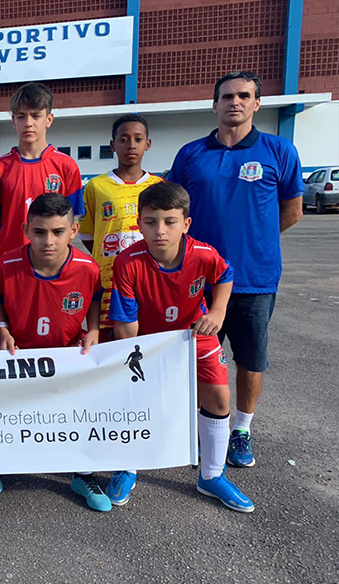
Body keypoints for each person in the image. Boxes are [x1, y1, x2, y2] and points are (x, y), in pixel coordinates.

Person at [169, 71, 304, 468]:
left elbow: (292, 210)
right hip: (197, 280)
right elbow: (174, 210)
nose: (235, 102)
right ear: (214, 104)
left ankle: (241, 429)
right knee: (196, 356)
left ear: (257, 103)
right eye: (227, 96)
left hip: (254, 278)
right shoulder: (191, 154)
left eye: (244, 95)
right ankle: (203, 426)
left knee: (249, 358)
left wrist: (255, 238)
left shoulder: (279, 151)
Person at [109, 182, 254, 513]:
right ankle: (127, 467)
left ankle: (212, 476)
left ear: (186, 224)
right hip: (149, 341)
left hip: (193, 335)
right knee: (135, 399)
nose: (160, 230)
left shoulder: (203, 254)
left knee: (219, 398)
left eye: (170, 222)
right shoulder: (127, 262)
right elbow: (126, 326)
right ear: (139, 223)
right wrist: (133, 355)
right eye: (151, 222)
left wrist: (217, 311)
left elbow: (225, 275)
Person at [0, 193, 106, 512]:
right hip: (16, 352)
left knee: (76, 413)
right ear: (26, 230)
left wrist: (92, 329)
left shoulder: (87, 268)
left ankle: (82, 474)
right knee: (1, 413)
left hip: (63, 354)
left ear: (73, 231)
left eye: (57, 232)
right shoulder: (7, 264)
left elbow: (94, 298)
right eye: (39, 232)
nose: (48, 241)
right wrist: (3, 329)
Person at [81, 114, 164, 341]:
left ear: (148, 144)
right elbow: (88, 235)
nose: (131, 145)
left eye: (138, 139)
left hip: (148, 276)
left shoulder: (159, 186)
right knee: (108, 343)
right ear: (113, 145)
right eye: (124, 139)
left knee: (147, 339)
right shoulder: (96, 186)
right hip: (109, 278)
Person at [0, 82, 83, 257]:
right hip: (12, 261)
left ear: (49, 119)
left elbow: (70, 222)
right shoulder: (0, 168)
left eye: (35, 116)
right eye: (21, 116)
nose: (28, 123)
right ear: (13, 121)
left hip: (52, 263)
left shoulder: (66, 166)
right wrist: (2, 257)